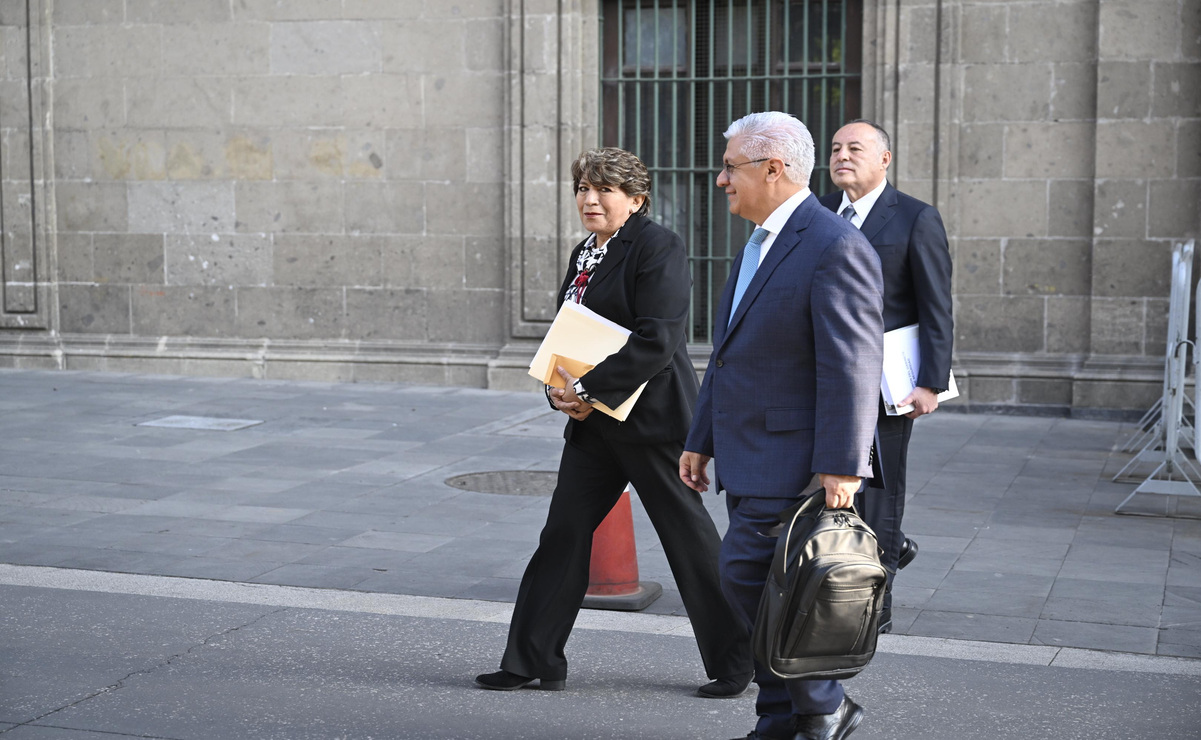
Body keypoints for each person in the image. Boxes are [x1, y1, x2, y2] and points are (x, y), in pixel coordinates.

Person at [475, 147, 754, 698]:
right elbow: (569, 331)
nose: (590, 198)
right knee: (562, 535)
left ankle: (737, 659)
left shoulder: (659, 247)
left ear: (636, 199)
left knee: (687, 539)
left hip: (651, 420)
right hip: (594, 422)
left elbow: (659, 338)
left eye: (604, 189)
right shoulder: (585, 252)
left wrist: (586, 387)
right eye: (583, 188)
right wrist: (560, 391)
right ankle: (534, 660)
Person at [679, 112, 883, 740]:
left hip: (794, 458)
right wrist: (700, 437)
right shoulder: (759, 241)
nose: (720, 181)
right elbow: (733, 351)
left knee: (748, 578)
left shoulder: (833, 244)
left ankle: (823, 703)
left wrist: (845, 464)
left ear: (772, 168)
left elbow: (852, 364)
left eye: (730, 167)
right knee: (765, 591)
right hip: (746, 450)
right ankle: (781, 718)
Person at [819, 119, 954, 634]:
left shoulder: (915, 218)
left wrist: (930, 382)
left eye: (855, 148)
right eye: (835, 149)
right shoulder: (820, 212)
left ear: (885, 160)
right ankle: (882, 550)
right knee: (827, 480)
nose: (842, 156)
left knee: (880, 488)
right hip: (823, 374)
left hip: (885, 379)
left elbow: (935, 304)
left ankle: (877, 602)